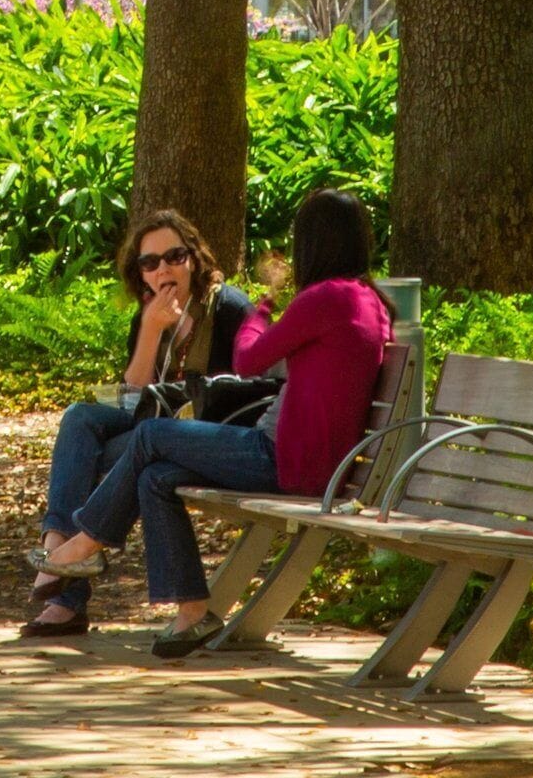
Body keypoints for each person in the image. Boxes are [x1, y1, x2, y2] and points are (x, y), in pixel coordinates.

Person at [34, 189, 390, 659]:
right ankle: (192, 610)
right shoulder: (368, 300)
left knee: (150, 435)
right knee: (156, 476)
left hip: (284, 458)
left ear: (312, 243)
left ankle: (84, 544)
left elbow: (247, 358)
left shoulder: (323, 298)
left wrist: (264, 305)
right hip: (304, 457)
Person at [22, 209, 252, 638]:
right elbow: (134, 395)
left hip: (204, 441)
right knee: (79, 419)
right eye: (150, 263)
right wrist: (150, 330)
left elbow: (250, 387)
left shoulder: (228, 308)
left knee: (117, 455)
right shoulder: (150, 313)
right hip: (153, 432)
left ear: (194, 259)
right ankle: (59, 550)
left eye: (174, 257)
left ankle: (63, 587)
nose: (163, 269)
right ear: (140, 272)